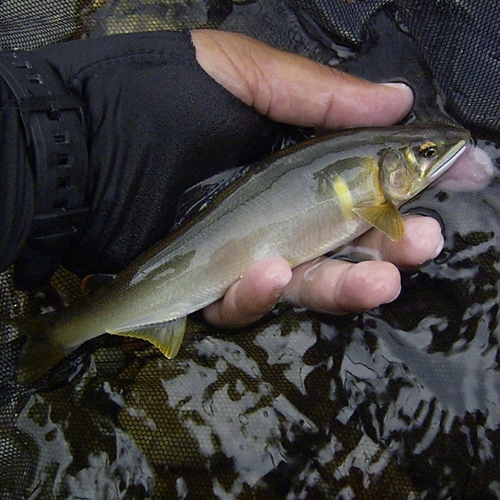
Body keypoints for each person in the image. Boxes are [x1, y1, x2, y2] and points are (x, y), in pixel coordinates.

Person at [0, 29, 443, 327]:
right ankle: (65, 332)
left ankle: (69, 329)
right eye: (425, 154)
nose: (432, 157)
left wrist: (54, 145)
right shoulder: (377, 196)